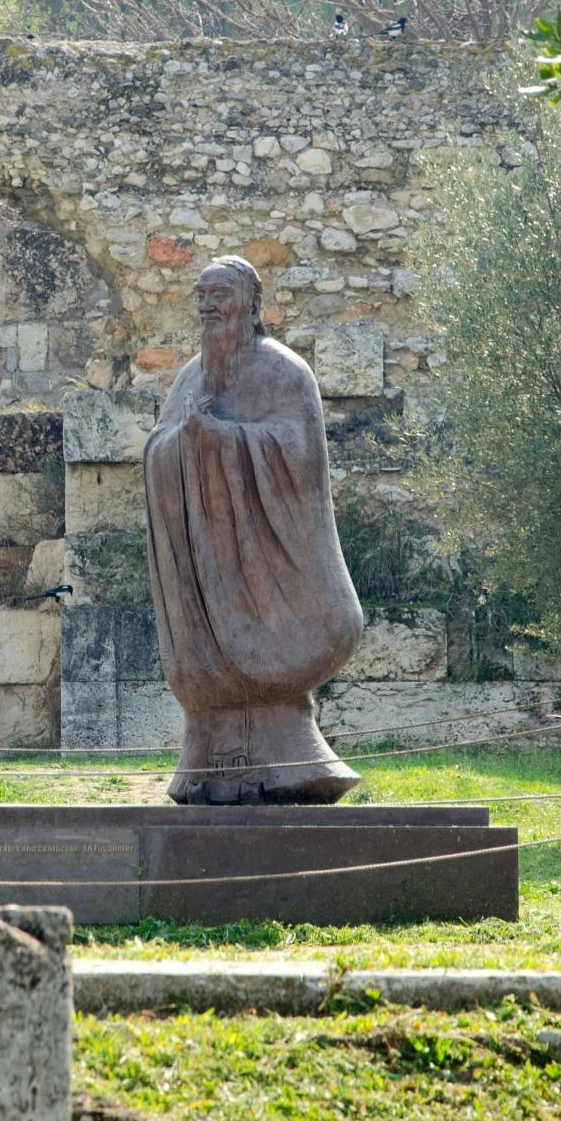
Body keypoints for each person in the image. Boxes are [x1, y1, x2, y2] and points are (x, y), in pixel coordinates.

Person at [141, 256, 364, 804]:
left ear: (252, 306)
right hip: (208, 563)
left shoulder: (286, 373)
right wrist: (185, 445)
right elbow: (157, 449)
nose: (208, 305)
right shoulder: (190, 377)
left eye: (220, 293)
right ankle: (207, 757)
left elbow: (300, 453)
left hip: (266, 563)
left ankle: (291, 755)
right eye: (201, 295)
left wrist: (224, 441)